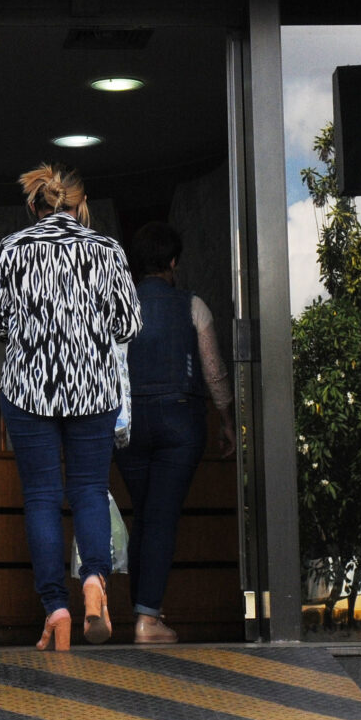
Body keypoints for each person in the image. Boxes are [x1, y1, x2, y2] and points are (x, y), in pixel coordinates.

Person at [0, 163, 141, 651]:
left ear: (36, 206)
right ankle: (94, 583)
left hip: (29, 390)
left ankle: (57, 608)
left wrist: (32, 333)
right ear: (80, 205)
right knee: (90, 490)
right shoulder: (106, 249)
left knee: (43, 497)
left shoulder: (13, 248)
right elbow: (129, 324)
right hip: (93, 389)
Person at [115, 222, 234, 644]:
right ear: (171, 263)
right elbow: (213, 370)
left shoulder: (118, 306)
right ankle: (148, 619)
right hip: (180, 421)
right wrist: (225, 418)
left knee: (145, 515)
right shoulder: (193, 305)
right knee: (161, 516)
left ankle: (143, 613)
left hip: (128, 423)